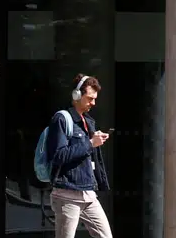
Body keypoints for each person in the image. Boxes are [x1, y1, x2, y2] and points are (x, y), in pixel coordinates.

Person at [45, 74, 113, 238]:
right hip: (67, 194)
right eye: (90, 98)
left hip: (88, 193)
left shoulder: (88, 121)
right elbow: (59, 155)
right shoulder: (62, 119)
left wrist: (95, 141)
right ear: (76, 95)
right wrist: (90, 143)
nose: (93, 103)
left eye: (95, 99)